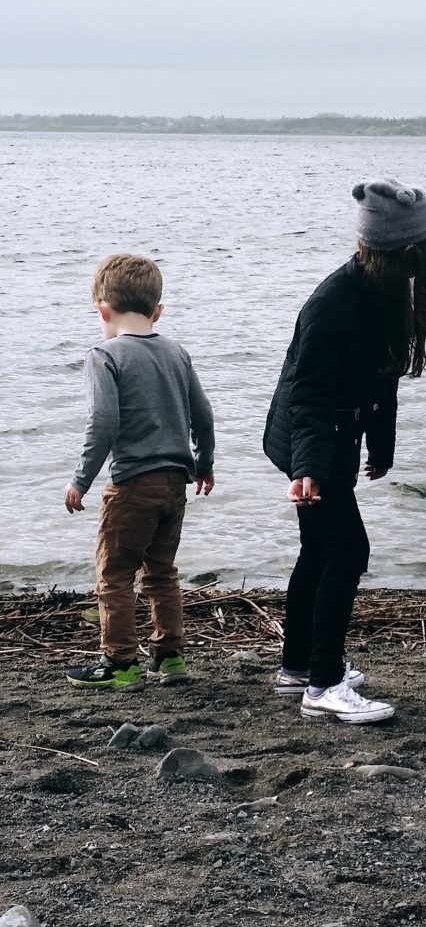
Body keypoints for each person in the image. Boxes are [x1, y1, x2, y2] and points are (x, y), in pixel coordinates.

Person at [264, 178, 426, 723]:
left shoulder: (381, 291)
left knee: (319, 553)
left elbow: (381, 376)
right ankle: (323, 684)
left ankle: (298, 667)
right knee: (347, 553)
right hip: (310, 439)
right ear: (407, 251)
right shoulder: (334, 302)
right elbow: (307, 391)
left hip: (333, 438)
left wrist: (382, 444)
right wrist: (310, 468)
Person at [63, 254, 215, 690]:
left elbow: (103, 424)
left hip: (131, 484)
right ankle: (169, 657)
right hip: (175, 484)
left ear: (102, 310)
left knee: (114, 575)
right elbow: (203, 416)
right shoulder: (176, 352)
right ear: (157, 311)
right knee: (162, 572)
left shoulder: (104, 355)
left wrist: (80, 480)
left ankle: (121, 662)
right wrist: (204, 464)